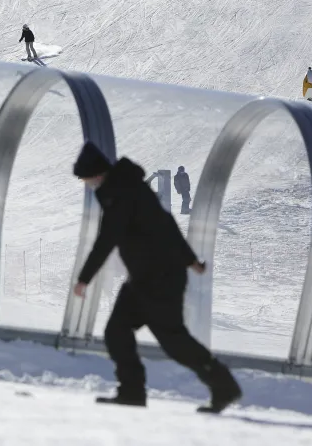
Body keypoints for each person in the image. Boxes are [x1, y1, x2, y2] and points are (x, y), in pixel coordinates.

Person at [71, 142, 242, 413]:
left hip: (159, 280)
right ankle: (131, 391)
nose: (86, 184)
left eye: (85, 179)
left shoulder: (121, 195)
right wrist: (190, 260)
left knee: (175, 341)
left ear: (98, 174)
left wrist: (84, 279)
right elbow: (167, 223)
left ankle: (224, 386)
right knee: (117, 331)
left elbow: (107, 240)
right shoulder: (128, 188)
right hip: (145, 278)